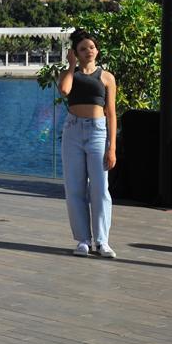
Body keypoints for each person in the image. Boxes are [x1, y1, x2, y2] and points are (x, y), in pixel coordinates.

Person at [57, 29, 118, 258]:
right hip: (73, 130)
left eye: (91, 47)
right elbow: (64, 90)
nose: (88, 51)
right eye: (82, 49)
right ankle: (83, 240)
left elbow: (111, 113)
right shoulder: (69, 74)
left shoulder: (107, 77)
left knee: (101, 188)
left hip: (97, 131)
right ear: (75, 52)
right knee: (74, 187)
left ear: (97, 50)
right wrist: (71, 66)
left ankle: (102, 241)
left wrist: (112, 147)